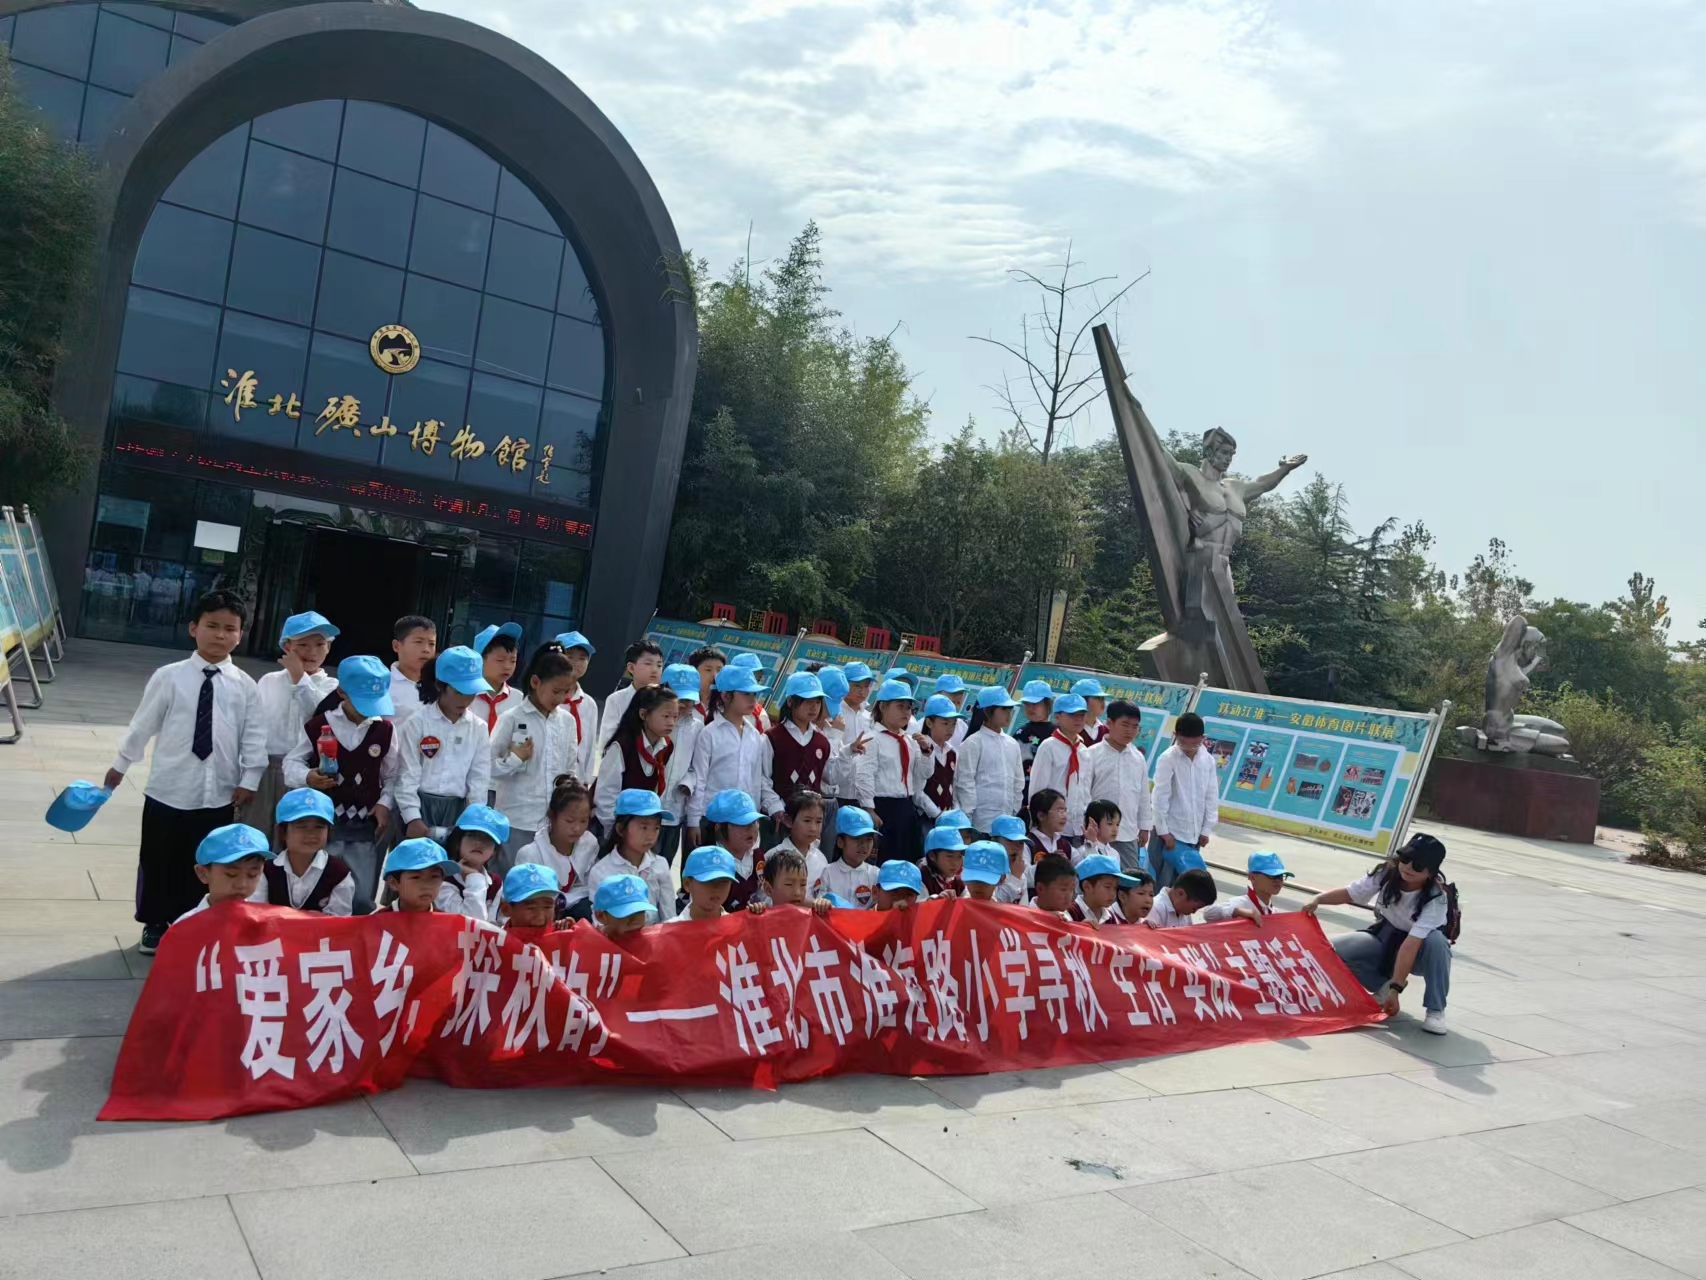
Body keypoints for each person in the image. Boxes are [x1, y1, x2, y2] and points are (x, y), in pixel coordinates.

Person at [106, 589, 267, 953]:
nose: (220, 635)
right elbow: (143, 724)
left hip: (218, 793)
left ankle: (199, 921)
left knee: (209, 862)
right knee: (158, 858)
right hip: (168, 789)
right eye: (212, 626)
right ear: (194, 628)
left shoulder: (246, 686)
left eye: (230, 628)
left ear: (240, 635)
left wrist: (250, 779)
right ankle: (155, 922)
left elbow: (254, 736)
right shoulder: (169, 677)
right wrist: (121, 764)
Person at [1302, 833, 1453, 1034]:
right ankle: (1382, 987)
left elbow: (1411, 944)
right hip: (1385, 936)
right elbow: (1351, 893)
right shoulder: (1387, 873)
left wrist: (1396, 989)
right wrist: (1318, 899)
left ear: (1431, 872)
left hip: (1420, 951)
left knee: (1437, 941)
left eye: (1418, 865)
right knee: (1329, 950)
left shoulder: (1436, 898)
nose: (1408, 867)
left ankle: (1435, 1010)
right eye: (1405, 859)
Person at [283, 654, 398, 915]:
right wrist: (308, 777)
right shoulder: (319, 726)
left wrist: (384, 803)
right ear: (342, 693)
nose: (369, 710)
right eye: (363, 702)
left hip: (363, 825)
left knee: (361, 895)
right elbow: (291, 764)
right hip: (324, 823)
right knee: (319, 888)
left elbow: (392, 775)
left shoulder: (385, 731)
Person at [491, 642, 582, 870]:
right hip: (516, 818)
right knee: (510, 878)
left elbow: (570, 768)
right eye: (555, 691)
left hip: (551, 823)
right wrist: (515, 759)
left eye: (566, 692)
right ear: (535, 682)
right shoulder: (512, 718)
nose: (560, 698)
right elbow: (487, 767)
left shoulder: (567, 721)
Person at [250, 610, 340, 834]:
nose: (312, 652)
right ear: (287, 647)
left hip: (306, 772)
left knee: (295, 834)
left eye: (320, 644)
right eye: (302, 645)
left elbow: (319, 713)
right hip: (267, 769)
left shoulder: (332, 687)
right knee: (259, 828)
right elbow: (253, 726)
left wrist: (300, 677)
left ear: (328, 647)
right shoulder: (269, 681)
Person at [394, 645, 492, 845]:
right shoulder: (417, 723)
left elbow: (479, 778)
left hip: (457, 811)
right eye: (459, 692)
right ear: (440, 686)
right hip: (418, 804)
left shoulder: (479, 728)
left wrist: (473, 819)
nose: (465, 699)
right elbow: (407, 773)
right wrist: (412, 816)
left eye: (472, 692)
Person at [685, 664, 782, 845]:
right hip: (713, 819)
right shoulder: (709, 733)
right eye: (746, 694)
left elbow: (758, 779)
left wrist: (772, 806)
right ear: (725, 696)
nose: (753, 700)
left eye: (754, 694)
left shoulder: (755, 735)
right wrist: (693, 821)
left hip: (745, 819)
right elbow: (699, 779)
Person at [595, 687, 681, 856]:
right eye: (665, 716)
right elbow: (605, 797)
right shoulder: (621, 746)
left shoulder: (666, 746)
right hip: (614, 829)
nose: (671, 722)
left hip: (641, 828)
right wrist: (617, 833)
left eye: (675, 716)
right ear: (644, 715)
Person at [857, 678, 926, 864]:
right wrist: (869, 808)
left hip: (906, 806)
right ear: (883, 707)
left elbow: (922, 774)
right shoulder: (873, 739)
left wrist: (926, 753)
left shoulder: (910, 741)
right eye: (900, 706)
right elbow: (864, 775)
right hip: (883, 807)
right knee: (885, 860)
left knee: (908, 860)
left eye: (909, 708)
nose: (906, 712)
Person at [1149, 712, 1218, 889]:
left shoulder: (1208, 761)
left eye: (1194, 744)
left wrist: (1206, 829)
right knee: (1163, 885)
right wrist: (1164, 832)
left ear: (1203, 738)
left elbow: (1211, 796)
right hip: (1169, 834)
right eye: (1182, 743)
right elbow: (1159, 797)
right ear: (1175, 735)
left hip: (1193, 835)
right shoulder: (1167, 759)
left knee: (1187, 885)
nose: (1188, 748)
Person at [514, 776, 600, 919]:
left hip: (575, 907)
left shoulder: (589, 844)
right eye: (569, 821)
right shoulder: (530, 854)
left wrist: (566, 900)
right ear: (552, 816)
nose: (577, 828)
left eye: (583, 821)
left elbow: (589, 885)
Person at [1087, 701, 1155, 874]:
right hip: (1097, 832)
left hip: (1127, 833)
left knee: (1130, 879)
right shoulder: (1092, 754)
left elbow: (1143, 795)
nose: (1130, 731)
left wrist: (1145, 826)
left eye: (1135, 726)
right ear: (1109, 723)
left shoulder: (1138, 758)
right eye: (1125, 725)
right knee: (1097, 876)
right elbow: (1084, 793)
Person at [587, 788, 674, 918]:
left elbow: (669, 916)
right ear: (621, 829)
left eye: (656, 828)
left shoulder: (660, 865)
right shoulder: (602, 872)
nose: (651, 836)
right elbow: (600, 921)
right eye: (644, 827)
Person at [265, 787, 353, 915]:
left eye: (319, 827)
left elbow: (339, 921)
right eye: (301, 826)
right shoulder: (265, 871)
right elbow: (256, 913)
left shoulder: (339, 874)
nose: (311, 834)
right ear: (282, 831)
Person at [760, 671, 834, 819]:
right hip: (779, 817)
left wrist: (848, 753)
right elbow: (762, 779)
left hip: (812, 818)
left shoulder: (821, 741)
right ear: (790, 701)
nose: (814, 707)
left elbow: (831, 777)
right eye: (808, 701)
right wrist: (776, 808)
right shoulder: (772, 738)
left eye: (818, 702)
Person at [955, 685, 1024, 835]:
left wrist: (1014, 810)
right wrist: (968, 817)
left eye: (1010, 709)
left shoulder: (1012, 744)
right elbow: (966, 782)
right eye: (1004, 709)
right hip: (981, 821)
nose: (1008, 714)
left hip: (1007, 821)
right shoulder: (973, 742)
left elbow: (1018, 782)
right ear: (987, 711)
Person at [174, 823, 271, 922]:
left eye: (252, 875)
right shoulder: (186, 926)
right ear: (203, 873)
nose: (242, 885)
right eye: (231, 874)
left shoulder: (264, 923)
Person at [1029, 692, 1091, 840]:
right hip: (1052, 826)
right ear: (1057, 717)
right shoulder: (1049, 746)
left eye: (1082, 715)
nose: (1078, 719)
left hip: (1077, 826)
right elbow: (1038, 788)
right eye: (1072, 715)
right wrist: (1039, 821)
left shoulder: (1084, 750)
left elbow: (1085, 788)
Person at [435, 803, 509, 919]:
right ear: (458, 841)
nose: (478, 843)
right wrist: (474, 877)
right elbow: (471, 921)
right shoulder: (442, 879)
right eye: (472, 835)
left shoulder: (496, 883)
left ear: (494, 850)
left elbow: (490, 924)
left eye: (487, 839)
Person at [701, 788, 766, 911]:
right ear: (718, 827)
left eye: (753, 822)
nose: (750, 829)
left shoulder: (757, 856)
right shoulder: (708, 862)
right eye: (742, 824)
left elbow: (764, 894)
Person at [599, 639, 666, 752]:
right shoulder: (617, 699)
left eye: (659, 665)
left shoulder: (665, 700)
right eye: (648, 664)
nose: (655, 670)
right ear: (631, 667)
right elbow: (607, 738)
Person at [553, 630, 600, 782]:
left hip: (576, 779)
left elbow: (590, 747)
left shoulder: (589, 704)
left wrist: (586, 781)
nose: (575, 662)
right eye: (570, 656)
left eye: (582, 658)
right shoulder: (546, 698)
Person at [768, 789, 828, 899]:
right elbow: (765, 897)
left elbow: (823, 894)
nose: (813, 828)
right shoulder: (773, 856)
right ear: (788, 821)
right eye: (807, 821)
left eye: (818, 822)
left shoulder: (821, 859)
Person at [914, 694, 966, 824]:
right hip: (924, 818)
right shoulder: (919, 749)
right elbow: (917, 791)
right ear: (929, 723)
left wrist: (953, 813)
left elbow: (954, 787)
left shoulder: (952, 753)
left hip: (946, 819)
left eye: (953, 724)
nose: (950, 729)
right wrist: (937, 814)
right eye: (945, 723)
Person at [1202, 851, 1291, 924]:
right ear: (1252, 877)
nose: (1278, 880)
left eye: (1281, 876)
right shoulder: (1240, 904)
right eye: (1272, 876)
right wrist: (1236, 911)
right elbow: (1208, 913)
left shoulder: (1274, 912)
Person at [377, 837, 460, 914]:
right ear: (394, 883)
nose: (427, 885)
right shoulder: (376, 922)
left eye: (434, 876)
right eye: (416, 877)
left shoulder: (447, 923)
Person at [821, 805, 881, 908]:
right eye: (857, 839)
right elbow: (819, 903)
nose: (863, 845)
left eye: (869, 839)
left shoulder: (876, 874)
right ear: (840, 842)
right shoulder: (828, 873)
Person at [471, 622, 524, 731]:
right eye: (500, 660)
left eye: (513, 661)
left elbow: (521, 735)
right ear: (480, 660)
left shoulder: (518, 698)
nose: (507, 666)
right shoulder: (467, 696)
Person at [666, 845, 739, 923]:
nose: (717, 888)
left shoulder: (738, 927)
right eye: (709, 881)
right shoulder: (670, 929)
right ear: (687, 884)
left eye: (724, 881)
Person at [748, 847, 832, 913]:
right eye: (789, 884)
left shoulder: (813, 913)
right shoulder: (761, 914)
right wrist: (754, 914)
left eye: (803, 884)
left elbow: (835, 916)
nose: (797, 892)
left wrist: (824, 907)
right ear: (768, 889)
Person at [389, 614, 437, 723]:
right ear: (396, 646)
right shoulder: (383, 686)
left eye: (431, 644)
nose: (426, 649)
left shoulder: (441, 686)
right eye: (418, 642)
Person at [1013, 679, 1055, 792]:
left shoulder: (1057, 733)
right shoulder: (1020, 732)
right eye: (1027, 704)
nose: (1030, 708)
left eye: (1035, 704)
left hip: (1048, 794)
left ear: (1048, 704)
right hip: (1020, 792)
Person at [1068, 852, 1133, 924]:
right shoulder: (1069, 913)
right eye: (1107, 887)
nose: (1113, 894)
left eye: (1115, 888)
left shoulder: (1111, 918)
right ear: (1087, 886)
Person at [1147, 866, 1218, 928]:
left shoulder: (1183, 910)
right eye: (1194, 909)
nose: (1193, 913)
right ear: (1180, 893)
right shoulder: (1155, 909)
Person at [497, 862, 560, 930]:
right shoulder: (496, 936)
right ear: (506, 909)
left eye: (547, 907)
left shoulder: (559, 934)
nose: (540, 919)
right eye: (531, 908)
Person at [594, 872, 656, 937]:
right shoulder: (592, 942)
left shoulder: (652, 940)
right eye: (625, 914)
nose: (636, 921)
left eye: (640, 911)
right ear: (600, 916)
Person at [726, 653, 774, 732]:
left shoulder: (760, 715)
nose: (754, 683)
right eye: (750, 677)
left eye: (758, 679)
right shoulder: (715, 707)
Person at [989, 814, 1030, 903]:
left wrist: (1016, 877)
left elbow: (1023, 908)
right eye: (1010, 841)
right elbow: (992, 904)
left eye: (1021, 842)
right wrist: (1015, 878)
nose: (1017, 847)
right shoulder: (984, 867)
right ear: (994, 841)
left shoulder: (1019, 871)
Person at [1026, 788, 1071, 862]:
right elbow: (1023, 869)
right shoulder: (1028, 844)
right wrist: (1049, 862)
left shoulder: (1065, 845)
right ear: (1041, 815)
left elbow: (1083, 865)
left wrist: (1090, 843)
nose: (1064, 816)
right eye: (1059, 810)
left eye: (1065, 810)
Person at [919, 826, 966, 897]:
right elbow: (920, 902)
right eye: (950, 856)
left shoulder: (958, 880)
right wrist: (936, 900)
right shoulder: (922, 879)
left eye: (959, 856)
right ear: (932, 856)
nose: (956, 863)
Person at [1077, 798, 1122, 868]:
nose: (1115, 829)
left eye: (1117, 824)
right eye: (1110, 824)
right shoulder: (1082, 852)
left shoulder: (1115, 854)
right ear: (1093, 823)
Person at [1072, 678, 1108, 744]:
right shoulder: (1070, 731)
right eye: (1099, 698)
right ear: (1083, 701)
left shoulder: (1106, 732)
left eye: (1103, 698)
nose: (1103, 701)